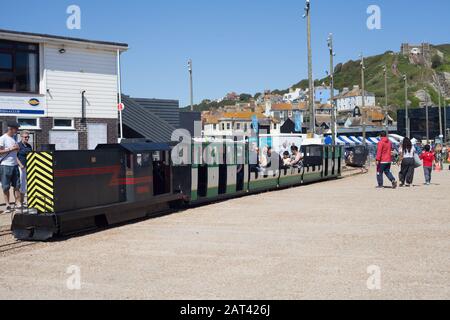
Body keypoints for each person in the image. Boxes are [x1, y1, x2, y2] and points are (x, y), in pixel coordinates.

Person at [0, 122, 21, 213]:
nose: (17, 130)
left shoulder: (13, 138)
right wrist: (11, 149)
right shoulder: (2, 138)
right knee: (5, 186)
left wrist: (17, 149)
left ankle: (17, 203)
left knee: (17, 186)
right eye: (16, 128)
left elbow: (15, 151)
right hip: (5, 165)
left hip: (14, 165)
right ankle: (8, 205)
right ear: (11, 128)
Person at [17, 131, 33, 208]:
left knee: (24, 185)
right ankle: (18, 202)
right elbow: (15, 156)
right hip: (20, 167)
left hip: (28, 167)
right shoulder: (18, 145)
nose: (27, 138)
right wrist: (20, 165)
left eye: (28, 137)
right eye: (25, 137)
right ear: (21, 137)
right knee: (20, 184)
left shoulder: (29, 146)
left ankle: (22, 201)